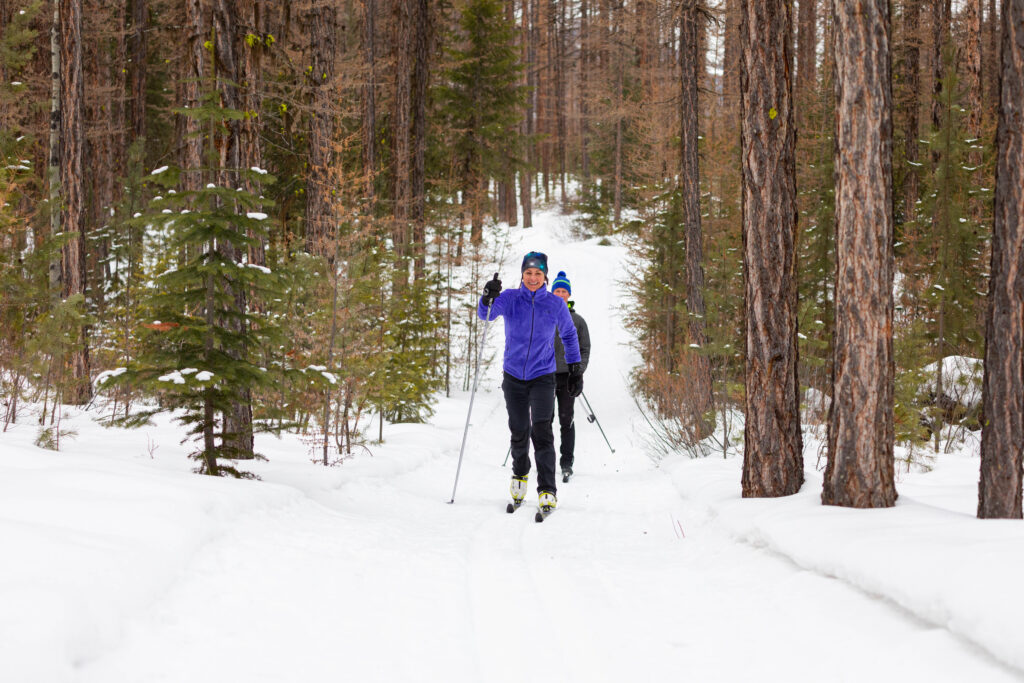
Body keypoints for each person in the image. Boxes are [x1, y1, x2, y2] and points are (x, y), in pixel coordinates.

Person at [479, 252, 582, 513]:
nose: (533, 278)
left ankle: (547, 489)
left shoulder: (555, 304)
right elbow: (487, 315)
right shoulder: (511, 298)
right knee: (519, 430)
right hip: (513, 376)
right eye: (528, 273)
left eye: (538, 273)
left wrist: (575, 368)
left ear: (545, 276)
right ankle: (520, 475)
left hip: (543, 376)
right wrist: (487, 297)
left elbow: (569, 336)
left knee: (542, 431)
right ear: (522, 275)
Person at [550, 271, 590, 482]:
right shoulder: (543, 316)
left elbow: (585, 349)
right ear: (552, 292)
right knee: (543, 421)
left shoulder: (578, 321)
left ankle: (567, 463)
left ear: (569, 295)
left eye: (564, 291)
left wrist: (578, 372)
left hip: (568, 377)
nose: (560, 294)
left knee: (567, 420)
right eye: (557, 290)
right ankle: (545, 461)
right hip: (544, 376)